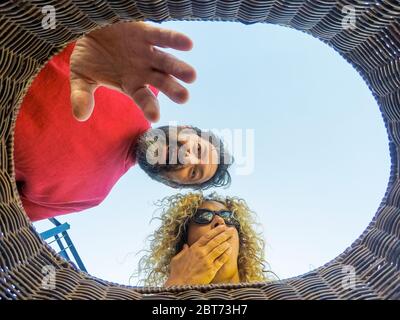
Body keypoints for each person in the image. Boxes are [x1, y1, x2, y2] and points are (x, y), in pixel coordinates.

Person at [14, 22, 233, 222]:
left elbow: (9, 215)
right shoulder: (139, 76)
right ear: (184, 129)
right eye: (197, 148)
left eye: (194, 172)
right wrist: (94, 21)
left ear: (173, 184)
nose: (187, 157)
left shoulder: (91, 195)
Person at [136, 193, 272, 287]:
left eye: (228, 217)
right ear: (183, 246)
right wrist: (178, 283)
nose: (219, 221)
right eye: (203, 216)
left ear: (241, 243)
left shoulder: (276, 294)